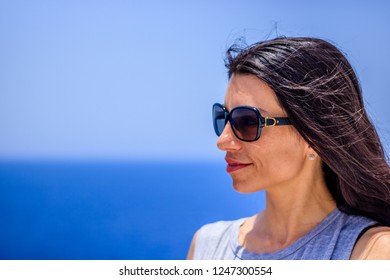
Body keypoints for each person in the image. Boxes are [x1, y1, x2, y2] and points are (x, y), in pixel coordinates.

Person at [187, 36, 390, 260]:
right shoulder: (207, 246)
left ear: (312, 136)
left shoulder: (371, 253)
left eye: (247, 121)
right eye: (223, 117)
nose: (222, 140)